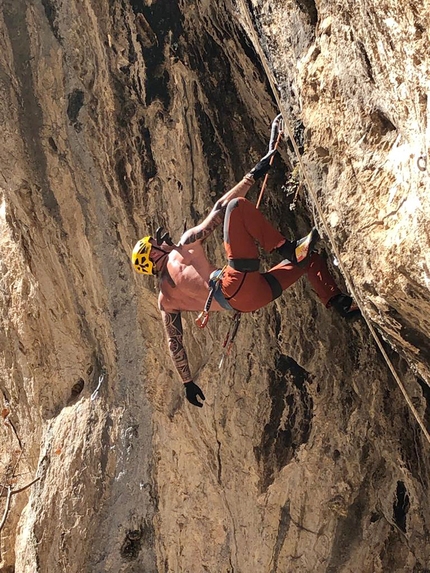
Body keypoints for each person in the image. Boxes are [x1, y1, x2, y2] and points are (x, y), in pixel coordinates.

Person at [132, 153, 358, 408]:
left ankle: (339, 303)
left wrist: (187, 383)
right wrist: (252, 176)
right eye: (155, 243)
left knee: (310, 259)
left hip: (248, 302)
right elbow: (219, 209)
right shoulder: (180, 249)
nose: (161, 241)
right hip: (234, 283)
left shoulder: (166, 300)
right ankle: (287, 248)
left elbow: (174, 342)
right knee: (236, 207)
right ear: (153, 253)